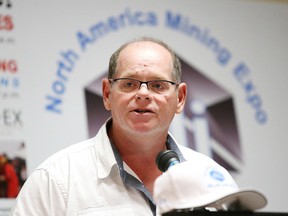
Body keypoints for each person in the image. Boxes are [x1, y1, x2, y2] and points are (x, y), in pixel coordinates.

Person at [10, 37, 238, 215]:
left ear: (179, 98)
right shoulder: (55, 179)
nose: (143, 94)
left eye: (158, 85)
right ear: (108, 94)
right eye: (129, 84)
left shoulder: (213, 178)